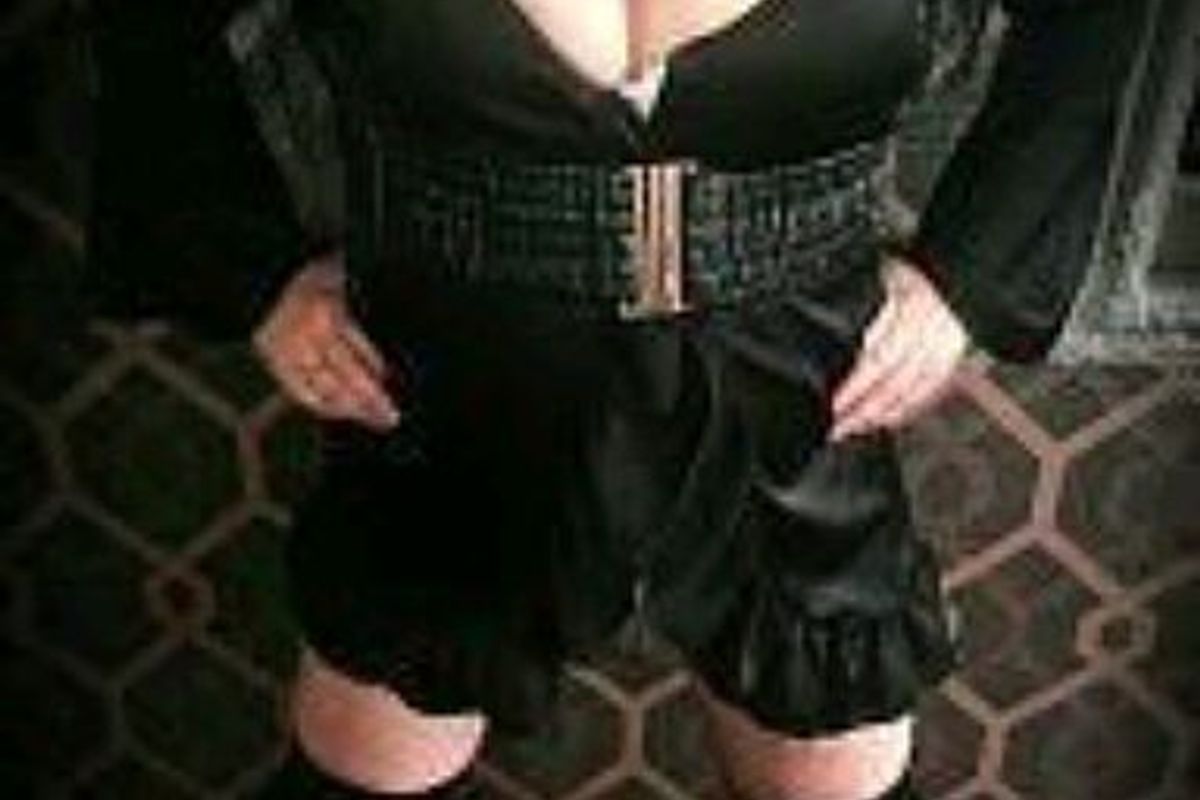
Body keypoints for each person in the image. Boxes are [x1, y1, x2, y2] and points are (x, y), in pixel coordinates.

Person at [87, 1, 1151, 798]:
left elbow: (1097, 29)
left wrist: (969, 276)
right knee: (368, 760)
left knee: (828, 767)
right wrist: (254, 277)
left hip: (795, 392)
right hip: (448, 393)